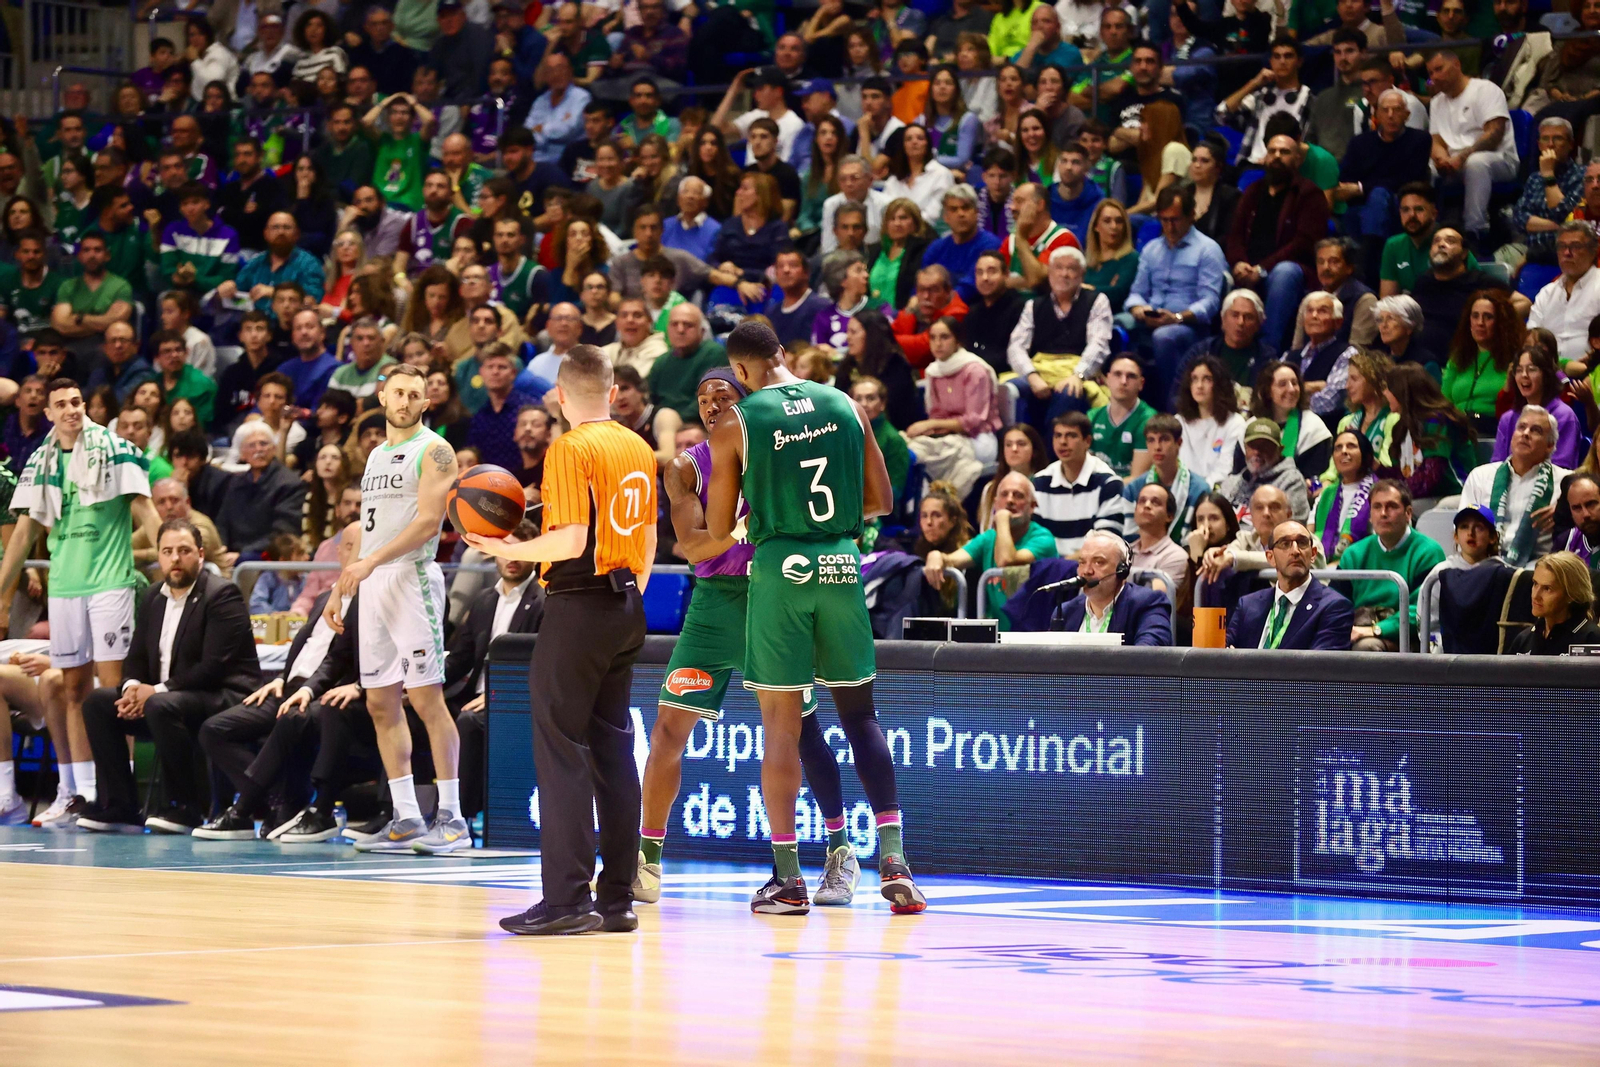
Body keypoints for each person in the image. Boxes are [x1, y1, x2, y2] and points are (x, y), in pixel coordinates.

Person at [700, 320, 923, 916]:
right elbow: (881, 501)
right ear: (782, 354)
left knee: (782, 727)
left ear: (740, 370)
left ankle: (789, 879)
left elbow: (717, 528)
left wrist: (758, 509)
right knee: (861, 716)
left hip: (781, 567)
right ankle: (895, 860)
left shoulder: (737, 420)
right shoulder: (845, 403)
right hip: (842, 564)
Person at [630, 370, 852, 904]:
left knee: (803, 733)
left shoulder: (782, 453)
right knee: (667, 729)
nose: (711, 405)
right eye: (703, 398)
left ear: (747, 402)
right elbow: (692, 547)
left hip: (773, 597)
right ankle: (648, 862)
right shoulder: (685, 467)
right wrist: (739, 528)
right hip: (713, 607)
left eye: (723, 396)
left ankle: (838, 853)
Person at [465, 346, 655, 934]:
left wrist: (507, 548)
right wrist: (628, 596)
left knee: (561, 749)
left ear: (561, 396)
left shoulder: (570, 447)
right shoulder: (637, 445)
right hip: (627, 604)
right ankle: (617, 899)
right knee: (614, 753)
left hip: (580, 605)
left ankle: (568, 900)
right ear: (613, 392)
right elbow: (648, 537)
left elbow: (571, 540)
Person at [315, 365, 465, 855]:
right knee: (380, 702)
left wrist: (370, 563)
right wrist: (343, 584)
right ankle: (406, 818)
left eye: (414, 395)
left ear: (426, 403)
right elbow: (369, 527)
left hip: (412, 578)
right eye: (398, 392)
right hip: (374, 581)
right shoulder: (376, 454)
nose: (405, 401)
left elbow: (427, 523)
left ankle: (453, 818)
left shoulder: (435, 450)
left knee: (426, 700)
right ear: (381, 396)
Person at [74, 519, 260, 833]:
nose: (175, 558)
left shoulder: (222, 594)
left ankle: (186, 807)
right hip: (170, 698)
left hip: (223, 696)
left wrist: (156, 691)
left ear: (200, 554)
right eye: (167, 551)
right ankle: (120, 806)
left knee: (161, 705)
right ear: (158, 556)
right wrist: (132, 688)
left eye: (184, 551)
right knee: (99, 703)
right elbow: (136, 658)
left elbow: (214, 667)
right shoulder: (152, 597)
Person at [1224, 133, 1328, 354]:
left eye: (1284, 152)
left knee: (1284, 272)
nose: (1277, 157)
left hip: (1290, 270)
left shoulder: (1309, 194)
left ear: (1298, 159)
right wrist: (1239, 262)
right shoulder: (1253, 191)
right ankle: (1222, 347)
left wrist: (1262, 269)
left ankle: (1268, 350)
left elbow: (1303, 243)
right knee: (1217, 269)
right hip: (1249, 266)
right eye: (1272, 151)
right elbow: (1235, 235)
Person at [1125, 184, 1228, 407]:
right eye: (1164, 220)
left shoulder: (1208, 249)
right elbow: (1136, 293)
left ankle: (1174, 407)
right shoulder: (1151, 249)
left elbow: (1210, 302)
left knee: (1165, 336)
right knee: (1116, 324)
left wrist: (1177, 317)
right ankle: (1126, 404)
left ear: (1191, 216)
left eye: (1175, 220)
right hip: (1152, 318)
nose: (1169, 227)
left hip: (1189, 326)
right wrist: (1139, 309)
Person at [1425, 48, 1519, 251]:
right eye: (1431, 73)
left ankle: (1474, 230)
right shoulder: (1436, 102)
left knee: (1476, 163)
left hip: (1498, 158)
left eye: (1439, 69)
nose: (1435, 77)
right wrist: (1441, 159)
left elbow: (1494, 134)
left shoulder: (1485, 90)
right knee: (1425, 167)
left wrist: (1462, 157)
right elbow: (1436, 140)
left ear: (1457, 65)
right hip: (1454, 162)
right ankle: (1428, 227)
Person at [1461, 405, 1571, 568]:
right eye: (1521, 427)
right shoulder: (1481, 476)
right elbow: (1462, 526)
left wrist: (1565, 511)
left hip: (1539, 565)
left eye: (1536, 430)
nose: (1525, 433)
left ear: (1550, 445)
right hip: (1483, 560)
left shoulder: (1567, 482)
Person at [904, 317, 1000, 500]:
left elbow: (973, 420)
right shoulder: (934, 371)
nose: (938, 343)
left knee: (930, 453)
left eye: (944, 337)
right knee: (910, 445)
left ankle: (941, 501)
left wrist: (931, 424)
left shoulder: (975, 370)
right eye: (933, 338)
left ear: (958, 341)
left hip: (978, 437)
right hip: (947, 434)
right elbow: (937, 413)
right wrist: (932, 428)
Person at [1225, 519, 1355, 650]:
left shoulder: (1335, 607)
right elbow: (1223, 650)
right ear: (1270, 557)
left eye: (1302, 543)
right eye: (1285, 544)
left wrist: (1241, 660)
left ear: (1313, 554)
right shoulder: (1247, 605)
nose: (1295, 551)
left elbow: (1321, 661)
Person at [1047, 529, 1172, 643]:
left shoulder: (1148, 603)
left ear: (1122, 570)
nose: (1086, 571)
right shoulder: (1066, 611)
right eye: (1082, 562)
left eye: (1098, 562)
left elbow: (1150, 652)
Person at [1032, 411, 1125, 558]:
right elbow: (1034, 539)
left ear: (1087, 441)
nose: (1063, 442)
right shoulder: (1040, 482)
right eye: (1058, 435)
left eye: (1071, 435)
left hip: (1091, 567)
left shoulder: (1108, 483)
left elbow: (1105, 545)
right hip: (1049, 567)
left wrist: (1061, 567)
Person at [1216, 36, 1312, 166]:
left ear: (1299, 62)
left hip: (1288, 168)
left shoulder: (1310, 101)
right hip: (1253, 164)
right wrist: (1254, 83)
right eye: (1277, 56)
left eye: (1288, 56)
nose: (1282, 61)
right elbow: (1221, 114)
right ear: (1270, 61)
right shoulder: (1261, 97)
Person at [1443, 288, 1522, 434]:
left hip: (1495, 429)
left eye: (1488, 317)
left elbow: (1552, 361)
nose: (1480, 323)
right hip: (1458, 428)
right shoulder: (1458, 358)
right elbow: (1444, 401)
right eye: (1475, 316)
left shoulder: (1516, 357)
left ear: (1501, 322)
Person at [1494, 345, 1586, 470]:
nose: (1524, 375)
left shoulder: (1564, 415)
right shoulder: (1508, 418)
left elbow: (1561, 466)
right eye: (1519, 370)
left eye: (1532, 370)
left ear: (1546, 375)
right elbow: (1496, 465)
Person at [1528, 222, 1600, 364]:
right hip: (1550, 371)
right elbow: (1531, 340)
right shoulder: (1546, 293)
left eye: (1576, 246)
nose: (1567, 253)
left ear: (1594, 251)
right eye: (1562, 246)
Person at [1504, 550, 1600, 654]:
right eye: (1535, 584)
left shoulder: (1591, 640)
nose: (1535, 596)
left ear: (1571, 595)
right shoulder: (1524, 639)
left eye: (1547, 588)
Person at [1220, 417, 1312, 523]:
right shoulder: (1231, 483)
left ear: (1280, 450)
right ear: (1245, 448)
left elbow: (1294, 527)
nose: (1257, 452)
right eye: (1252, 446)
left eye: (1265, 446)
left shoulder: (1292, 482)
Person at [1175, 353, 1247, 487]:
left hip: (1217, 492)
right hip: (1181, 490)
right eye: (1194, 379)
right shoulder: (1179, 421)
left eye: (1207, 379)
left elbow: (1225, 470)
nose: (1199, 385)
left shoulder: (1235, 423)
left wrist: (1199, 490)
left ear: (1219, 384)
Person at [1089, 354, 1155, 479]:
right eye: (1117, 374)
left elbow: (1137, 479)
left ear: (1141, 383)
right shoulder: (1092, 416)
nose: (1123, 381)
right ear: (1107, 379)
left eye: (1131, 376)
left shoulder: (1149, 421)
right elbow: (1084, 471)